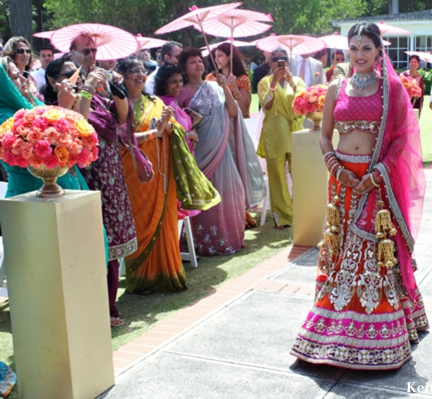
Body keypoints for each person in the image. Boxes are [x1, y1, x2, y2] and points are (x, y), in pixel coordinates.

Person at [290, 22, 427, 370]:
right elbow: (324, 136)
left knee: (373, 252)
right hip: (342, 181)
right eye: (354, 48)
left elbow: (400, 139)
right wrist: (336, 168)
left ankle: (378, 330)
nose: (360, 54)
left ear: (379, 50)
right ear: (346, 51)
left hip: (375, 181)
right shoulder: (337, 87)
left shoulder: (391, 88)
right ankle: (332, 325)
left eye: (367, 47)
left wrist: (375, 175)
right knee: (339, 250)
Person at [43, 55, 138, 327]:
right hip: (88, 179)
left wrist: (116, 87)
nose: (77, 75)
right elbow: (79, 128)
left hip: (111, 180)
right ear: (53, 81)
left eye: (78, 72)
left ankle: (109, 304)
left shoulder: (95, 99)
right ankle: (99, 309)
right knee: (95, 243)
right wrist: (84, 92)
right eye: (69, 73)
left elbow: (121, 116)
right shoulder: (54, 109)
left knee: (112, 245)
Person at [116, 57, 204, 294]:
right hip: (134, 172)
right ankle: (143, 278)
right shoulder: (117, 103)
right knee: (140, 221)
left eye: (142, 71)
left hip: (161, 172)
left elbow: (173, 129)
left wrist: (167, 124)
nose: (139, 75)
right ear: (122, 77)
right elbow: (120, 139)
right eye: (133, 71)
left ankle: (168, 273)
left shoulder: (153, 101)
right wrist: (152, 133)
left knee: (163, 221)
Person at [186, 59, 266, 254]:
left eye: (199, 60)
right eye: (192, 61)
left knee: (233, 192)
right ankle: (203, 241)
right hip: (198, 151)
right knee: (205, 193)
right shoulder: (182, 90)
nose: (197, 64)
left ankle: (228, 238)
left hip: (221, 150)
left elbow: (233, 111)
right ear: (184, 66)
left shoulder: (214, 86)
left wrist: (225, 87)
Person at [0, 56, 89, 196]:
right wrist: (64, 107)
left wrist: (73, 107)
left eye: (22, 75)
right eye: (16, 77)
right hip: (33, 195)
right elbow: (43, 154)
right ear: (3, 85)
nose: (24, 80)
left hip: (59, 187)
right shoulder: (4, 117)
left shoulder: (31, 104)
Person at [257, 49, 305, 228]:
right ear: (270, 63)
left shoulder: (298, 81)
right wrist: (274, 84)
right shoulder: (264, 82)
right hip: (274, 133)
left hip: (294, 132)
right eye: (276, 59)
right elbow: (266, 105)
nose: (280, 62)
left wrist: (291, 83)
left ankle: (302, 212)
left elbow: (304, 104)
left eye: (283, 58)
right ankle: (283, 218)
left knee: (299, 175)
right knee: (277, 177)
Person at [206, 43, 252, 118]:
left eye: (219, 56)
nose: (216, 59)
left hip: (237, 123)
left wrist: (235, 87)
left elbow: (244, 111)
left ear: (230, 56)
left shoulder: (242, 79)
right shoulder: (211, 78)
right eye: (215, 56)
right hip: (219, 123)